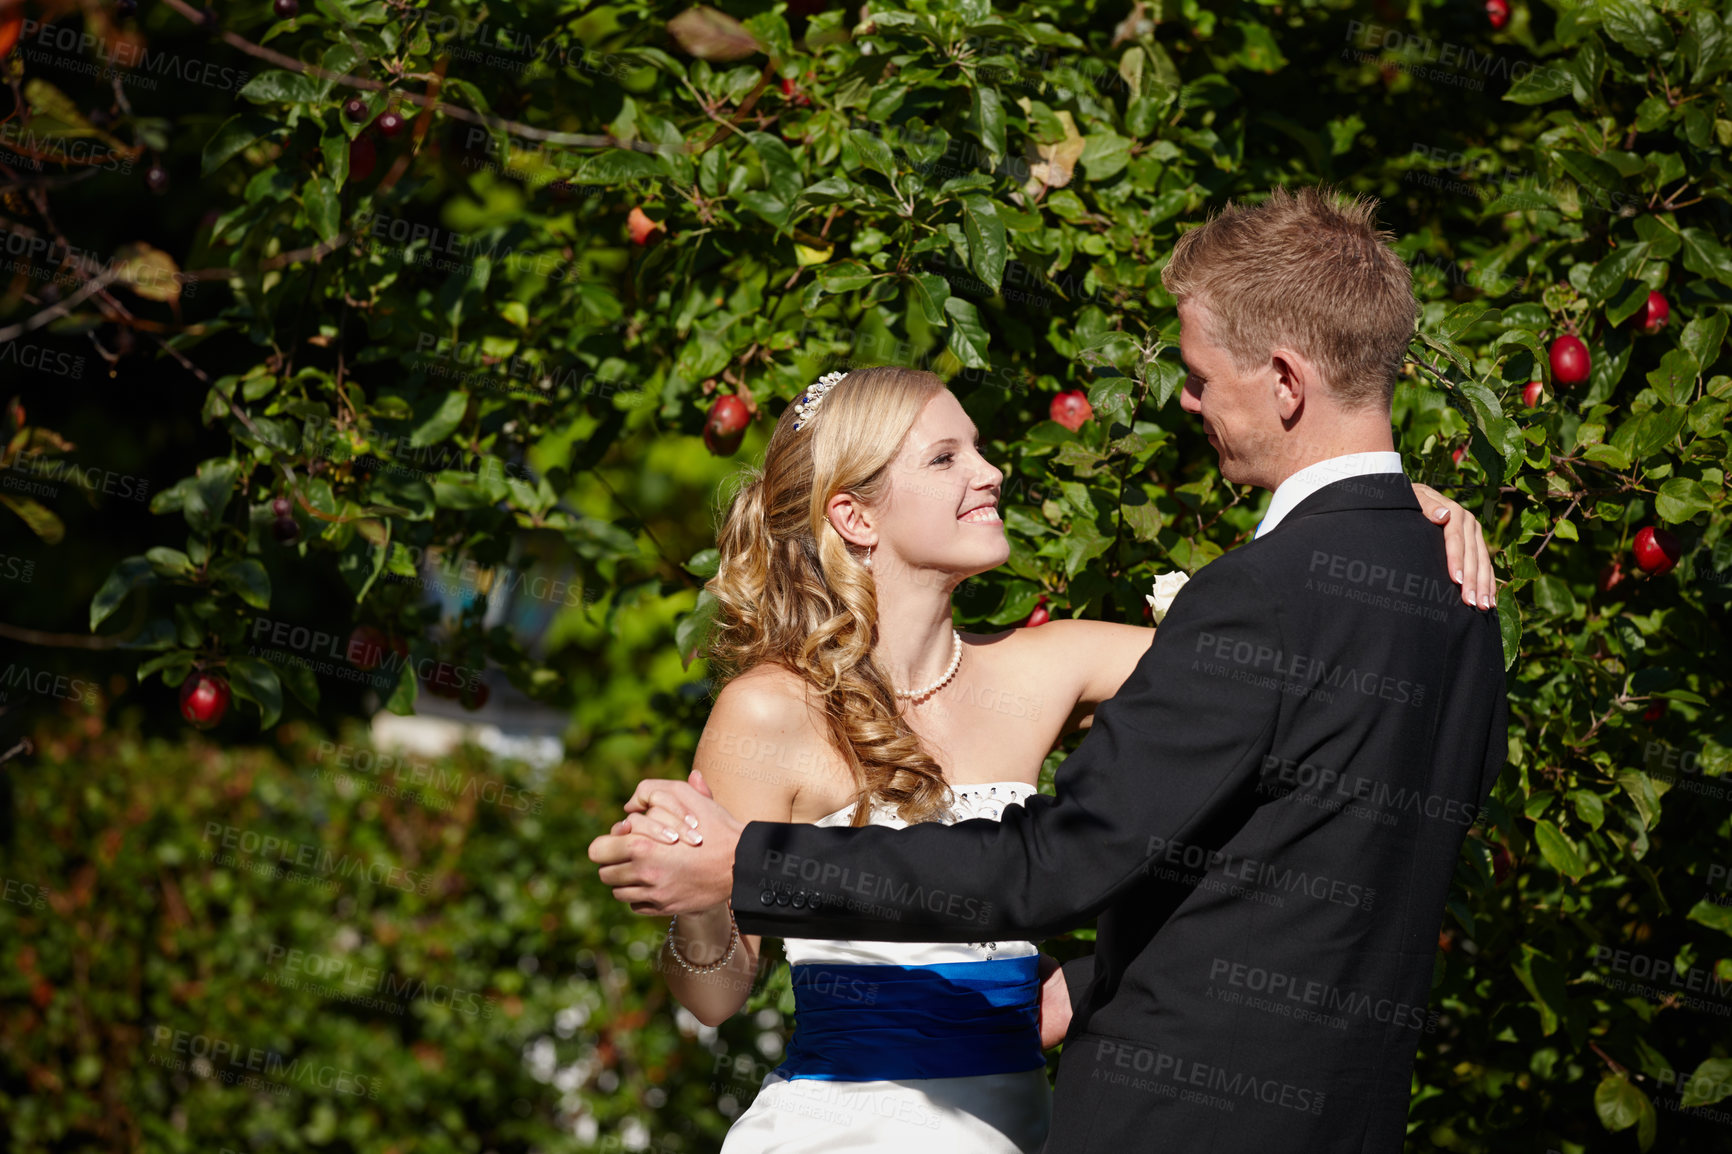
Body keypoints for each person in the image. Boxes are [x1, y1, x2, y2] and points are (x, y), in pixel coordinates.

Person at [592, 182, 1506, 1153]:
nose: (989, 472)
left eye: (975, 449)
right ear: (852, 513)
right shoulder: (766, 710)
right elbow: (717, 992)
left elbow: (1073, 853)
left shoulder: (1066, 657)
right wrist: (702, 899)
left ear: (1285, 381)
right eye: (944, 457)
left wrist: (1385, 505)